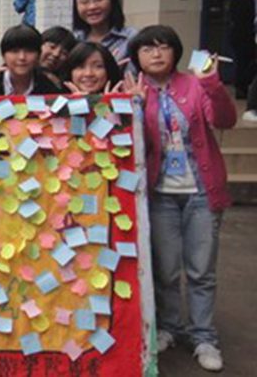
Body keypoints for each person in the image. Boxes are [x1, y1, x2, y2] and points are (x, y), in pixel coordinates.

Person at [123, 25, 236, 373]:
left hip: (201, 192)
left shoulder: (194, 84)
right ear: (137, 57)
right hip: (159, 195)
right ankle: (169, 328)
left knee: (201, 271)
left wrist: (212, 84)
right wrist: (135, 106)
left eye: (163, 47)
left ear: (175, 51)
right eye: (147, 49)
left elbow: (225, 120)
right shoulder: (133, 89)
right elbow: (132, 144)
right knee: (166, 270)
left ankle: (204, 337)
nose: (156, 54)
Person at [0, 24, 62, 96]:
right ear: (3, 55)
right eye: (15, 51)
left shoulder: (48, 89)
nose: (22, 57)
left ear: (38, 55)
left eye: (29, 51)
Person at [72, 0, 137, 71]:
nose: (92, 7)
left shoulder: (131, 38)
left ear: (112, 0)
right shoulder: (74, 40)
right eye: (84, 2)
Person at [228, 0, 257, 105]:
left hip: (236, 36)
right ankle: (244, 87)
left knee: (241, 62)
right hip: (247, 37)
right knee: (247, 63)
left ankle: (241, 88)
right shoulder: (249, 0)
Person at [58, 42, 122, 95]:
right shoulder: (56, 103)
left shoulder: (122, 102)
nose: (88, 73)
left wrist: (111, 102)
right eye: (81, 67)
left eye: (98, 66)